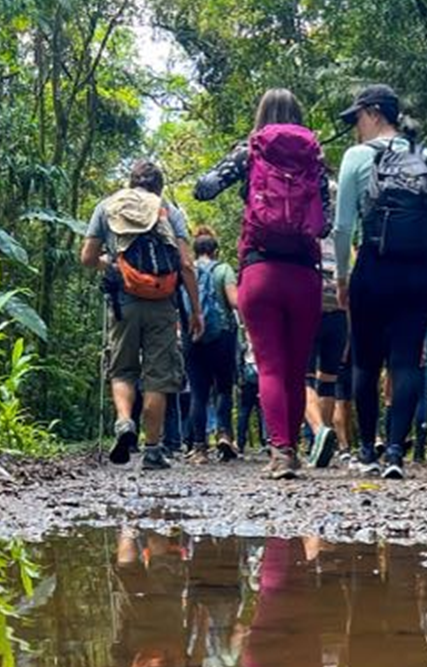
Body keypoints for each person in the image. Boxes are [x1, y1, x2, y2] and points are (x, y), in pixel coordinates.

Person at [195, 88, 330, 479]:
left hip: (260, 270)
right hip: (304, 273)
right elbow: (326, 222)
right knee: (294, 368)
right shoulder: (315, 159)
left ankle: (281, 453)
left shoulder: (250, 151)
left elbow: (205, 188)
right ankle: (290, 447)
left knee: (268, 364)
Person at [335, 84, 427, 479]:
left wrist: (343, 277)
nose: (356, 128)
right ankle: (397, 454)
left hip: (373, 267)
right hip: (417, 272)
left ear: (372, 113)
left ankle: (368, 451)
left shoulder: (356, 157)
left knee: (367, 362)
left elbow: (342, 227)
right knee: (405, 361)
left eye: (357, 119)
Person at [81, 159, 204, 470]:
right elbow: (187, 265)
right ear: (159, 186)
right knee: (157, 377)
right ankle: (152, 450)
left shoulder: (108, 206)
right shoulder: (169, 211)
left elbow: (87, 257)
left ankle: (124, 421)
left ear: (130, 182)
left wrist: (111, 264)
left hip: (123, 300)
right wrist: (195, 310)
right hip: (163, 303)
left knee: (122, 369)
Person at [183, 227, 239, 465]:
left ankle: (199, 448)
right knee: (224, 388)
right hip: (222, 335)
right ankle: (224, 435)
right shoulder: (223, 269)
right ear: (216, 251)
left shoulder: (187, 271)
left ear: (195, 250)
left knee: (198, 392)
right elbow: (235, 301)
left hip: (192, 335)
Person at [305, 231, 346, 468]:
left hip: (309, 310)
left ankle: (319, 432)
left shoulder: (305, 237)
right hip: (338, 314)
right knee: (329, 380)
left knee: (304, 377)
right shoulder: (343, 240)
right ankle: (323, 441)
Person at [236, 325, 267, 454]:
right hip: (259, 381)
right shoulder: (263, 344)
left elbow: (238, 364)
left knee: (245, 412)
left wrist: (238, 381)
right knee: (262, 412)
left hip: (247, 382)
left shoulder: (243, 347)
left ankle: (240, 442)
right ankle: (265, 441)